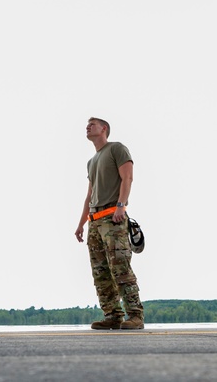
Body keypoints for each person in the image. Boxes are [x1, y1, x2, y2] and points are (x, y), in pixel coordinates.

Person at [74, 117, 144, 330]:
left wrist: (121, 206)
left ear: (104, 129)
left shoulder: (117, 149)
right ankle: (113, 315)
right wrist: (81, 224)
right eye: (87, 124)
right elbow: (89, 195)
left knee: (120, 267)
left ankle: (135, 315)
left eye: (92, 124)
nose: (87, 127)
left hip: (113, 217)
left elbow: (128, 178)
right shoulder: (92, 161)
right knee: (100, 271)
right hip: (95, 221)